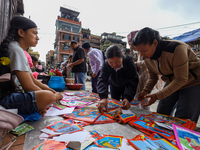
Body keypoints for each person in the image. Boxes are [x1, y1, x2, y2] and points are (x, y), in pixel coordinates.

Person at [133, 27, 200, 123]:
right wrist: (145, 91)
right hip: (172, 80)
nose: (141, 54)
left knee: (183, 119)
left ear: (155, 43)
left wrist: (157, 95)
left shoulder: (176, 48)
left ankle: (180, 136)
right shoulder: (147, 58)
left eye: (144, 50)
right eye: (138, 51)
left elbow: (181, 79)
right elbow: (153, 77)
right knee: (162, 112)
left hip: (193, 81)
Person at [0, 16, 63, 115]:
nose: (37, 37)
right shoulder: (15, 50)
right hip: (4, 100)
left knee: (47, 94)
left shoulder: (20, 50)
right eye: (34, 33)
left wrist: (53, 91)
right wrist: (53, 97)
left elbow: (33, 81)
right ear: (21, 32)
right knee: (48, 97)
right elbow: (28, 86)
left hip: (12, 95)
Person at [97, 45, 139, 113]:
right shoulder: (106, 64)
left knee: (125, 104)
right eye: (111, 62)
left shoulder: (128, 61)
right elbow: (102, 79)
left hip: (126, 86)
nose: (114, 65)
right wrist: (103, 97)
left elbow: (133, 79)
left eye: (117, 61)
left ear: (122, 57)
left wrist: (127, 97)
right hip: (114, 85)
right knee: (114, 104)